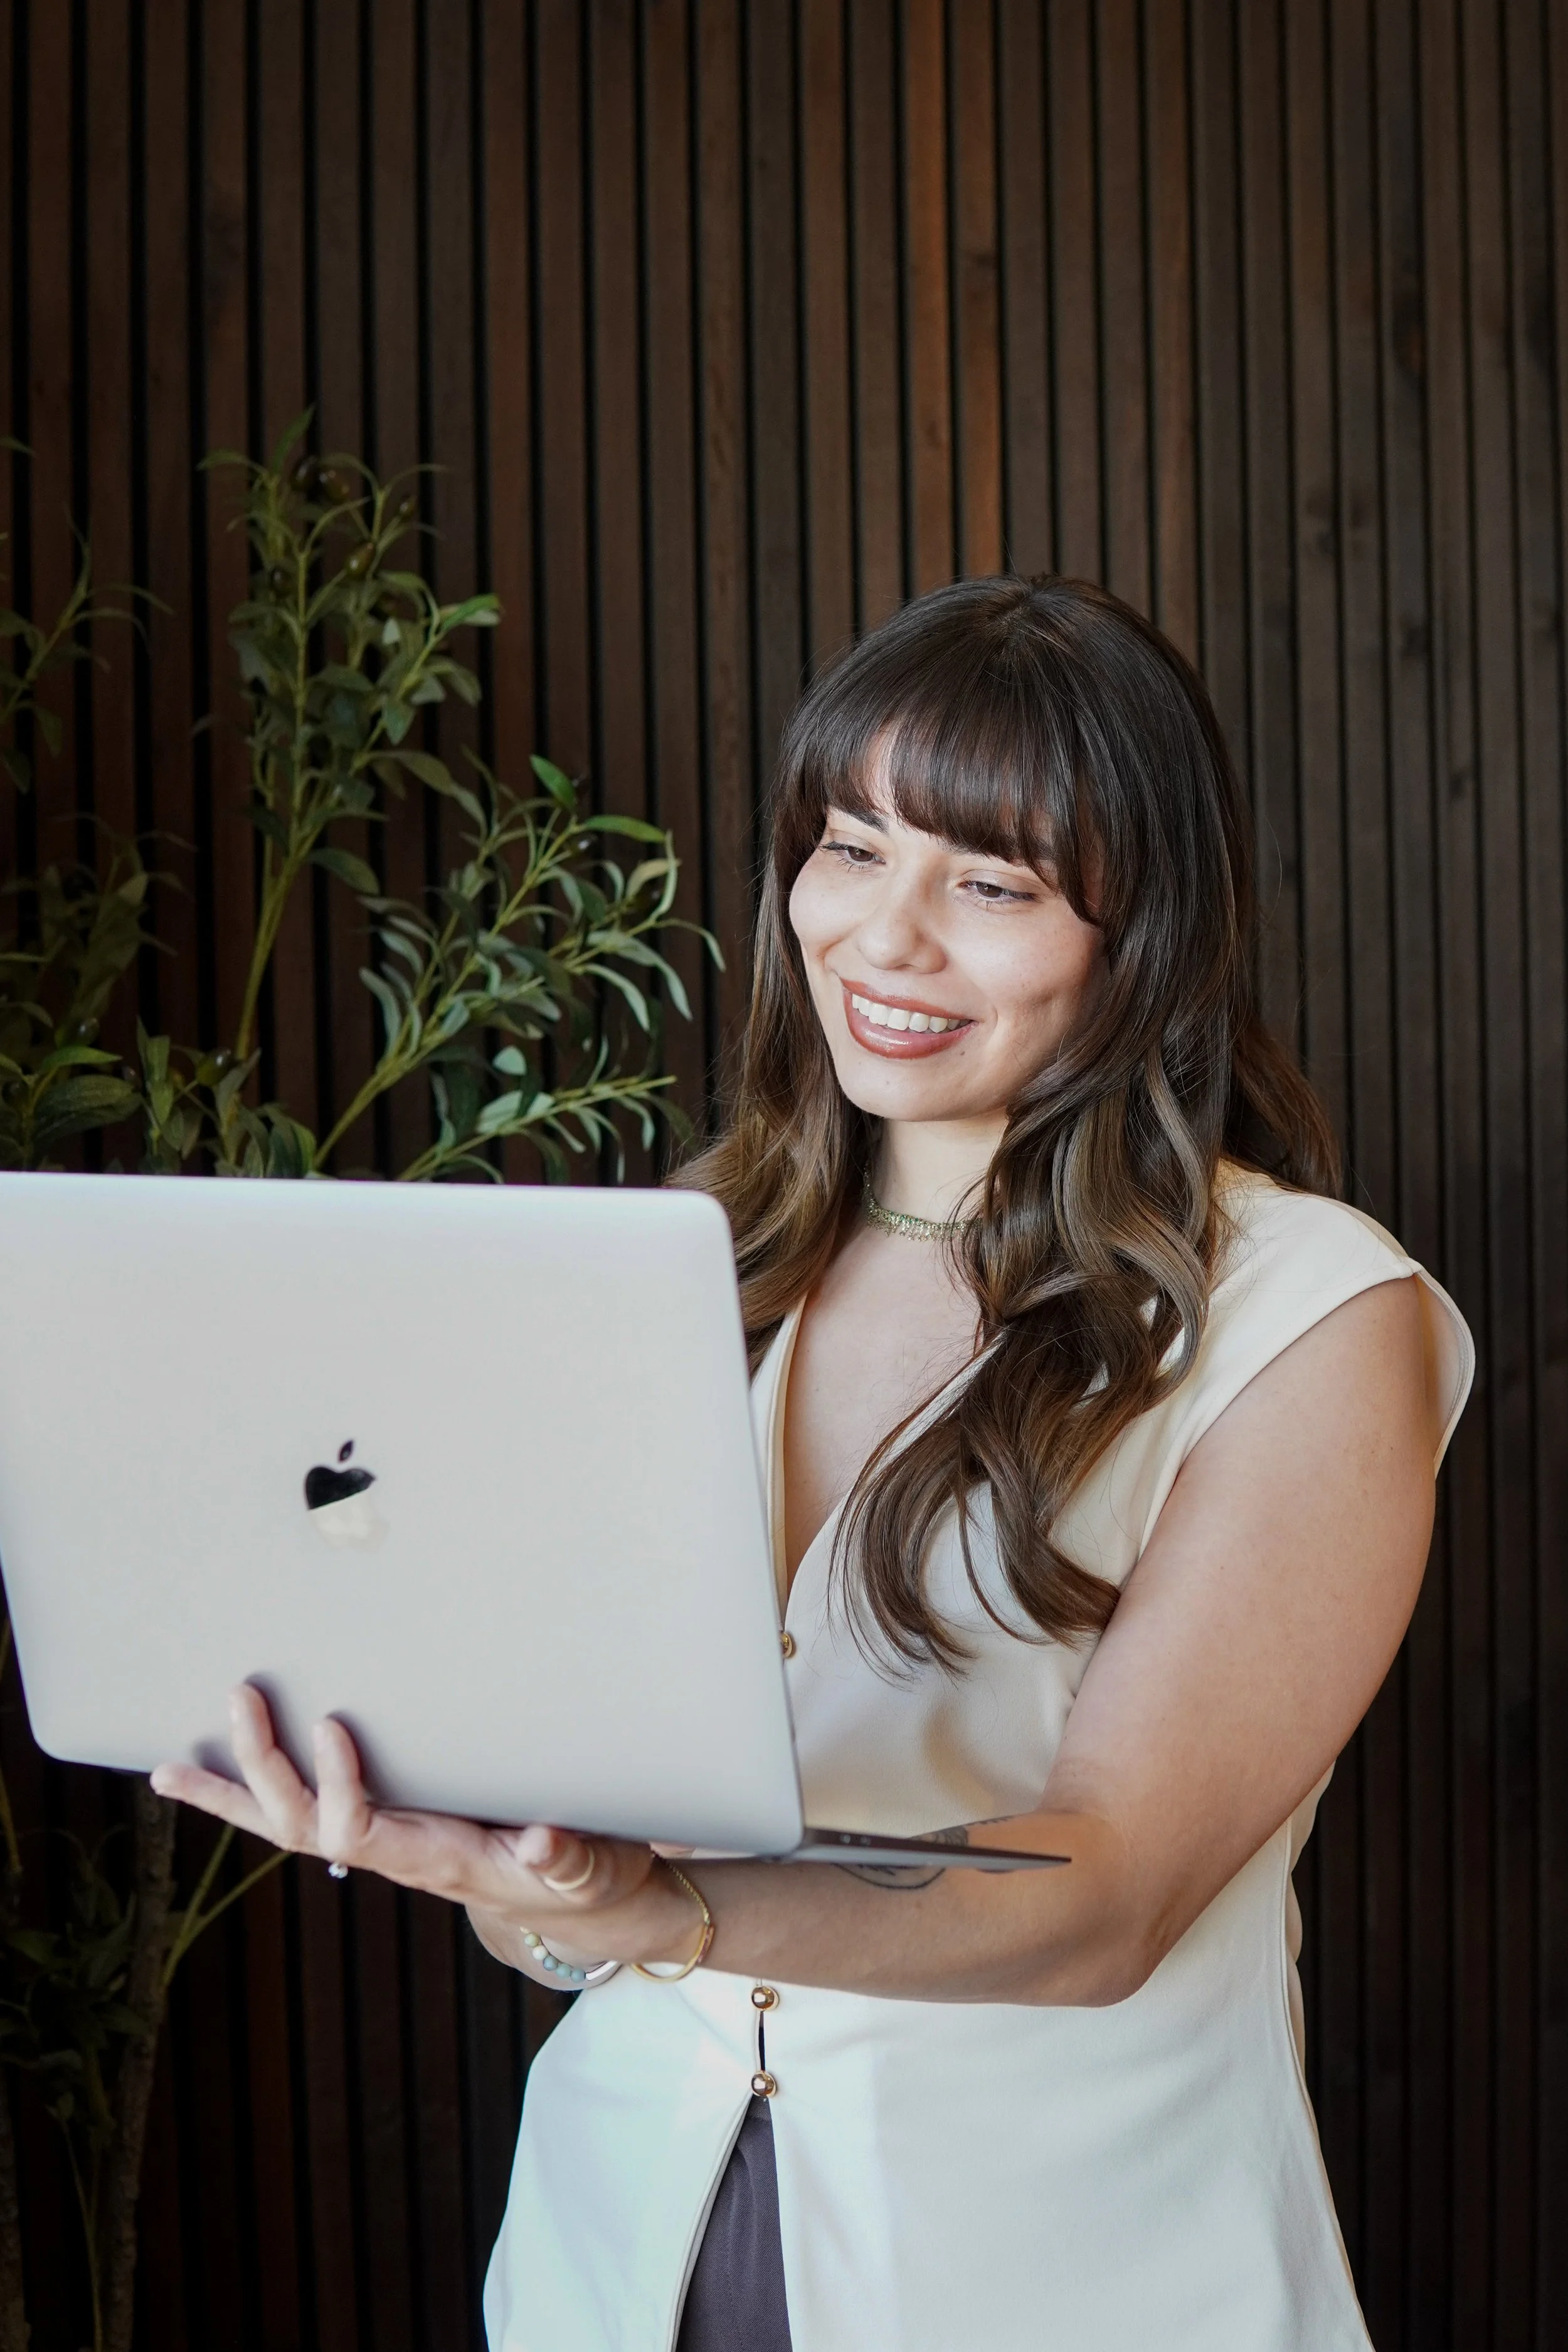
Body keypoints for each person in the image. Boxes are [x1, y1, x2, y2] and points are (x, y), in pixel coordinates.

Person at [154, 575, 1473, 2352]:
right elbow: (567, 1895)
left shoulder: (1310, 1310)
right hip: (626, 2246)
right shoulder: (671, 1261)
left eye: (987, 884)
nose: (884, 938)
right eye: (850, 848)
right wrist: (496, 1872)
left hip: (1063, 2264)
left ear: (1139, 926)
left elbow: (1106, 1893)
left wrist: (661, 1902)